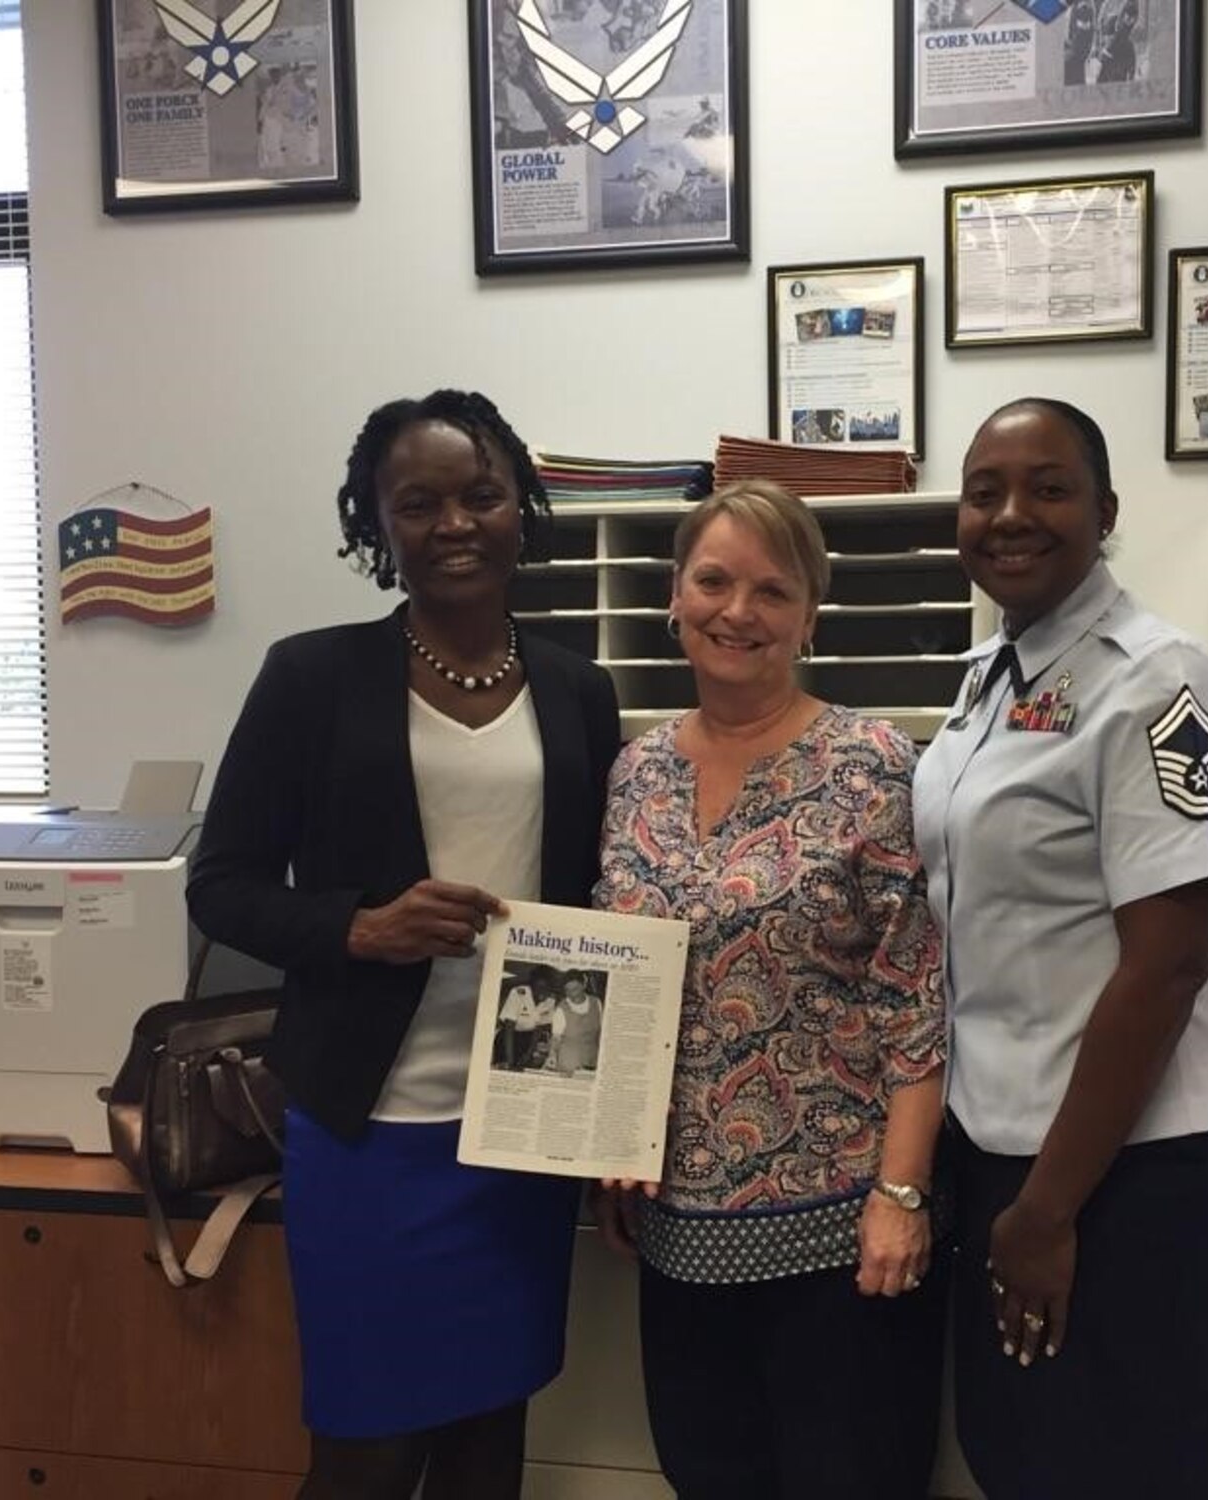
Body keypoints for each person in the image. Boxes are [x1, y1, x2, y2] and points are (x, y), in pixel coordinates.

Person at [187, 389, 621, 1500]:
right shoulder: (310, 678)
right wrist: (356, 927)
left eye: (480, 495)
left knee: (487, 1443)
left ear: (521, 507)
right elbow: (220, 887)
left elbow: (601, 902)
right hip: (370, 1127)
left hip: (525, 1126)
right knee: (366, 1452)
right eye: (417, 503)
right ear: (374, 525)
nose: (454, 523)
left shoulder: (579, 690)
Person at [913, 399, 1208, 1500]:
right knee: (1024, 1451)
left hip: (1131, 1160)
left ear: (1105, 511)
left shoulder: (1162, 683)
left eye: (1047, 487)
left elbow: (1165, 964)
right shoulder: (990, 677)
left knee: (1142, 1458)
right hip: (1003, 1141)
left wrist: (1048, 1209)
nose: (1009, 514)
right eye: (983, 491)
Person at [590, 481, 948, 1500]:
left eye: (769, 591)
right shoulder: (635, 772)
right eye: (712, 580)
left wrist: (900, 1195)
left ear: (807, 617)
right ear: (672, 595)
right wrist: (606, 1147)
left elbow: (913, 998)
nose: (734, 612)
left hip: (841, 1239)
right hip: (677, 1241)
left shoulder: (869, 766)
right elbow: (618, 973)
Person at [546, 969, 603, 1074]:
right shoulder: (561, 1009)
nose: (572, 994)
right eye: (567, 990)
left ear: (584, 985)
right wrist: (552, 1055)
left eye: (575, 989)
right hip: (568, 1064)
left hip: (592, 1062)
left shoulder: (597, 1003)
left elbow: (601, 1032)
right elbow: (556, 1038)